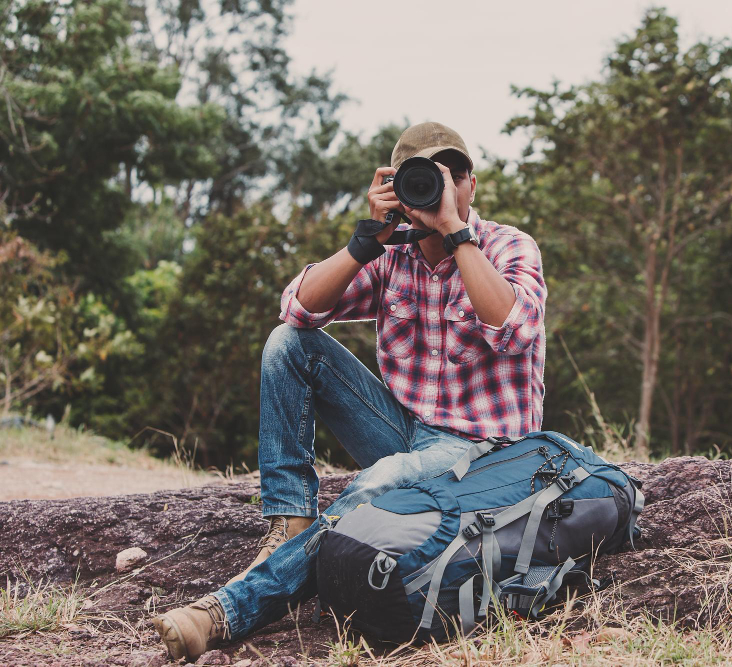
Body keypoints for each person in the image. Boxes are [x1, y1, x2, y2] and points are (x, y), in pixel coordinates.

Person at [151, 122, 547, 661]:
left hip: (484, 453)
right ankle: (292, 517)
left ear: (470, 185)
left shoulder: (508, 245)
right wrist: (364, 242)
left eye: (451, 177)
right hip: (407, 431)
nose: (442, 189)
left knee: (378, 481)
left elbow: (515, 327)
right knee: (288, 344)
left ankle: (228, 611)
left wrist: (457, 235)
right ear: (399, 189)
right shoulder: (392, 252)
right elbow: (297, 309)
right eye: (424, 179)